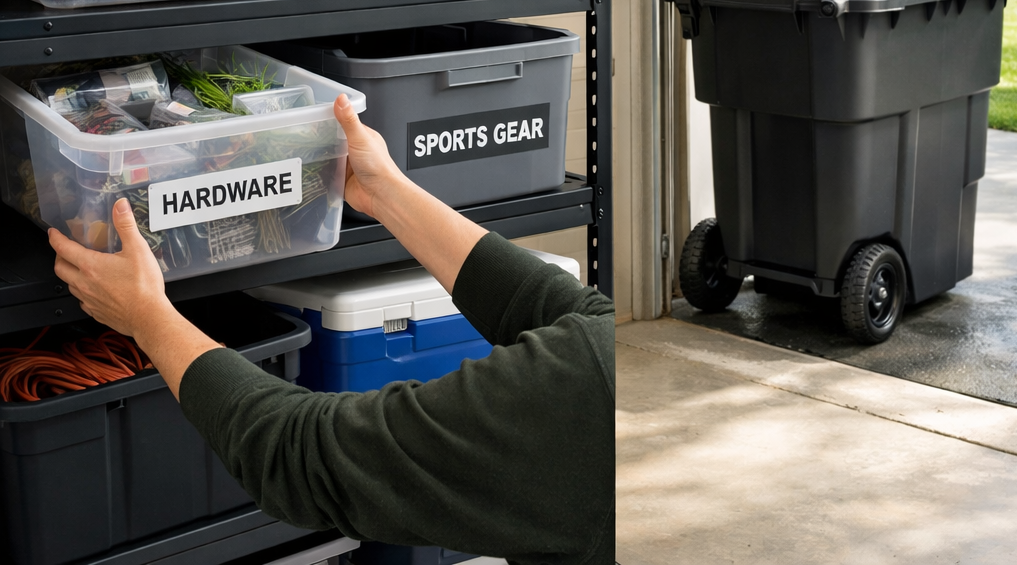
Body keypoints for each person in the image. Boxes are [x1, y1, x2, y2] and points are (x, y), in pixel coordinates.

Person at [48, 94, 614, 565]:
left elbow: (300, 455)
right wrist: (385, 191)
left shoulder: (582, 412)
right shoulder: (605, 368)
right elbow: (561, 311)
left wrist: (146, 315)